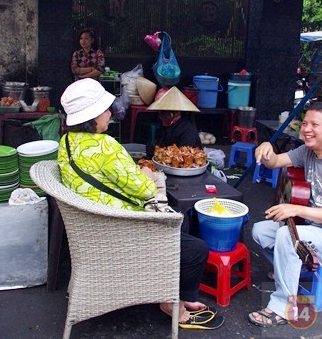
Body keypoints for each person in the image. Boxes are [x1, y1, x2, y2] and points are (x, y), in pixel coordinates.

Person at [58, 78, 223, 330]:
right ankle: (175, 299)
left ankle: (166, 289)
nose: (110, 113)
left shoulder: (66, 143)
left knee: (181, 218)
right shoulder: (106, 145)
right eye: (105, 108)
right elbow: (146, 191)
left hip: (92, 228)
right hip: (123, 230)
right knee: (196, 249)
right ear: (92, 115)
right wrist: (146, 176)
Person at [248, 102, 322, 327]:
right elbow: (276, 162)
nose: (306, 129)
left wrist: (296, 209)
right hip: (313, 229)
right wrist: (266, 147)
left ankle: (282, 307)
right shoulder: (308, 152)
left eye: (314, 125)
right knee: (260, 230)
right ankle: (292, 271)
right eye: (305, 123)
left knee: (286, 237)